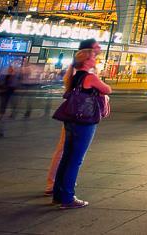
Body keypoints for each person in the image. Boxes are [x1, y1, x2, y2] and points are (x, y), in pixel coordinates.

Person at [52, 50, 112, 209]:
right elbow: (107, 89)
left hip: (71, 119)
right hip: (84, 120)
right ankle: (68, 198)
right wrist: (97, 76)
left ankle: (58, 194)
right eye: (93, 57)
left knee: (66, 157)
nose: (95, 59)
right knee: (75, 160)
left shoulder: (74, 76)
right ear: (86, 60)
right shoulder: (89, 77)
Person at [45, 39, 101, 196]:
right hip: (78, 115)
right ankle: (55, 183)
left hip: (76, 113)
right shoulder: (81, 69)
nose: (99, 48)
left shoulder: (85, 67)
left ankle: (59, 184)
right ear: (88, 51)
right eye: (96, 46)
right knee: (66, 150)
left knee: (66, 149)